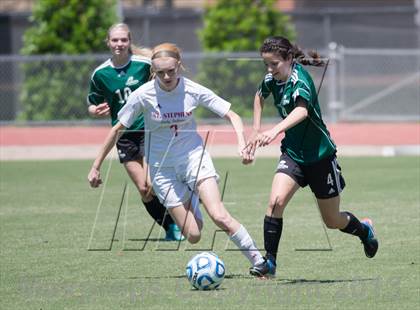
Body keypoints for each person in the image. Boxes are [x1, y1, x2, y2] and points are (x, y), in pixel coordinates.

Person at [88, 42, 265, 271]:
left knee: (219, 215)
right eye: (160, 72)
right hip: (162, 170)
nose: (166, 76)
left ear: (178, 65)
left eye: (171, 70)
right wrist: (96, 166)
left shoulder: (193, 89)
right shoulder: (144, 94)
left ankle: (260, 262)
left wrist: (241, 143)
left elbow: (233, 115)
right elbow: (116, 129)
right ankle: (192, 195)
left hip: (193, 159)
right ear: (153, 71)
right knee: (193, 235)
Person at [244, 36, 379, 277]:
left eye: (274, 64)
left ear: (288, 59)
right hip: (294, 154)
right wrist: (255, 130)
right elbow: (258, 96)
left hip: (320, 157)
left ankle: (365, 231)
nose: (270, 69)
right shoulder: (271, 79)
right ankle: (270, 263)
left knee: (332, 220)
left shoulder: (300, 79)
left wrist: (274, 130)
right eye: (266, 64)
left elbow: (302, 111)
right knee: (275, 202)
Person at [87, 23, 184, 241]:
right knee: (144, 189)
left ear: (129, 42)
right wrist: (95, 110)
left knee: (152, 183)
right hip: (124, 136)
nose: (119, 44)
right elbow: (92, 103)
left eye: (123, 40)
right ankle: (170, 227)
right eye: (115, 40)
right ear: (108, 42)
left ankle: (183, 214)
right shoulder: (100, 74)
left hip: (150, 130)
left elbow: (166, 79)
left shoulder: (143, 65)